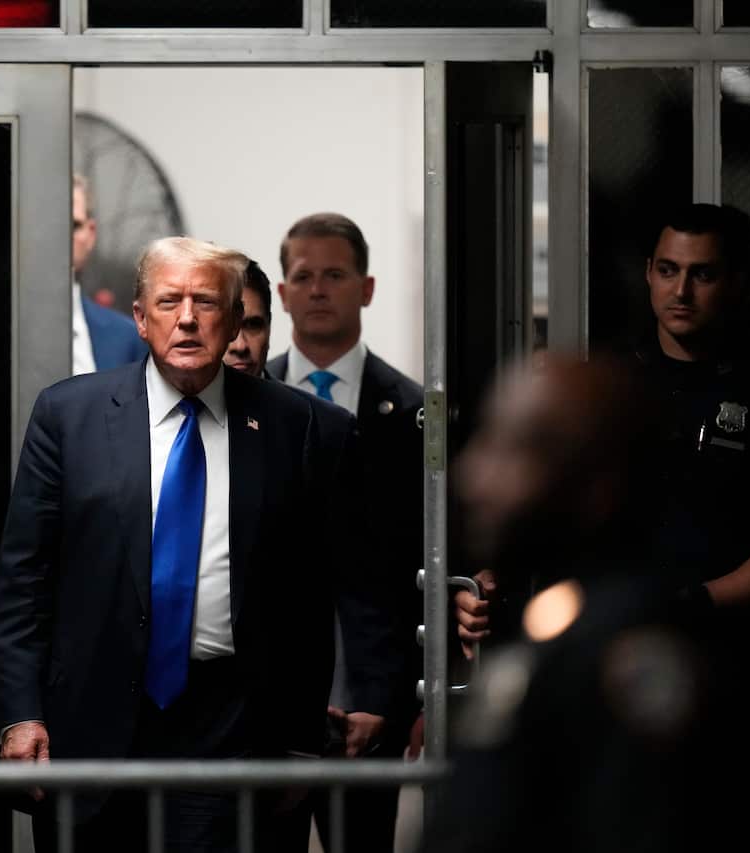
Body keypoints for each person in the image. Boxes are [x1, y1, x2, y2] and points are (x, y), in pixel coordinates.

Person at [0, 237, 360, 852]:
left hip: (232, 726)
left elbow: (310, 593)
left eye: (206, 302)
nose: (187, 318)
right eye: (168, 301)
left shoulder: (299, 428)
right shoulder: (68, 417)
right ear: (139, 318)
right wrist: (18, 714)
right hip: (91, 719)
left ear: (236, 319)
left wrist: (298, 739)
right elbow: (22, 582)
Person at [455, 204, 750, 743]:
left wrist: (697, 601)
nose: (681, 291)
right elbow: (548, 513)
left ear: (738, 282)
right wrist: (492, 587)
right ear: (648, 272)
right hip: (604, 662)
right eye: (667, 270)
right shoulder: (606, 384)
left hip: (734, 667)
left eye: (702, 274)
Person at [425, 355, 750, 853]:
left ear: (596, 485)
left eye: (512, 450)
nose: (473, 475)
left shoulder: (631, 661)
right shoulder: (558, 633)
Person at [266, 212, 422, 852]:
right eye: (304, 276)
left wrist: (410, 699)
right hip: (267, 711)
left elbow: (422, 562)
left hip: (374, 702)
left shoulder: (416, 411)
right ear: (282, 294)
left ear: (368, 287)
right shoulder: (247, 403)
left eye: (336, 274)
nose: (319, 289)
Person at [71, 173, 147, 374]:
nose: (61, 235)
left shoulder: (128, 338)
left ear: (91, 233)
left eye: (73, 226)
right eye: (52, 225)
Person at [223, 259, 273, 377]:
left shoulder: (290, 396)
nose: (240, 346)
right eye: (225, 326)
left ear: (269, 327)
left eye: (253, 325)